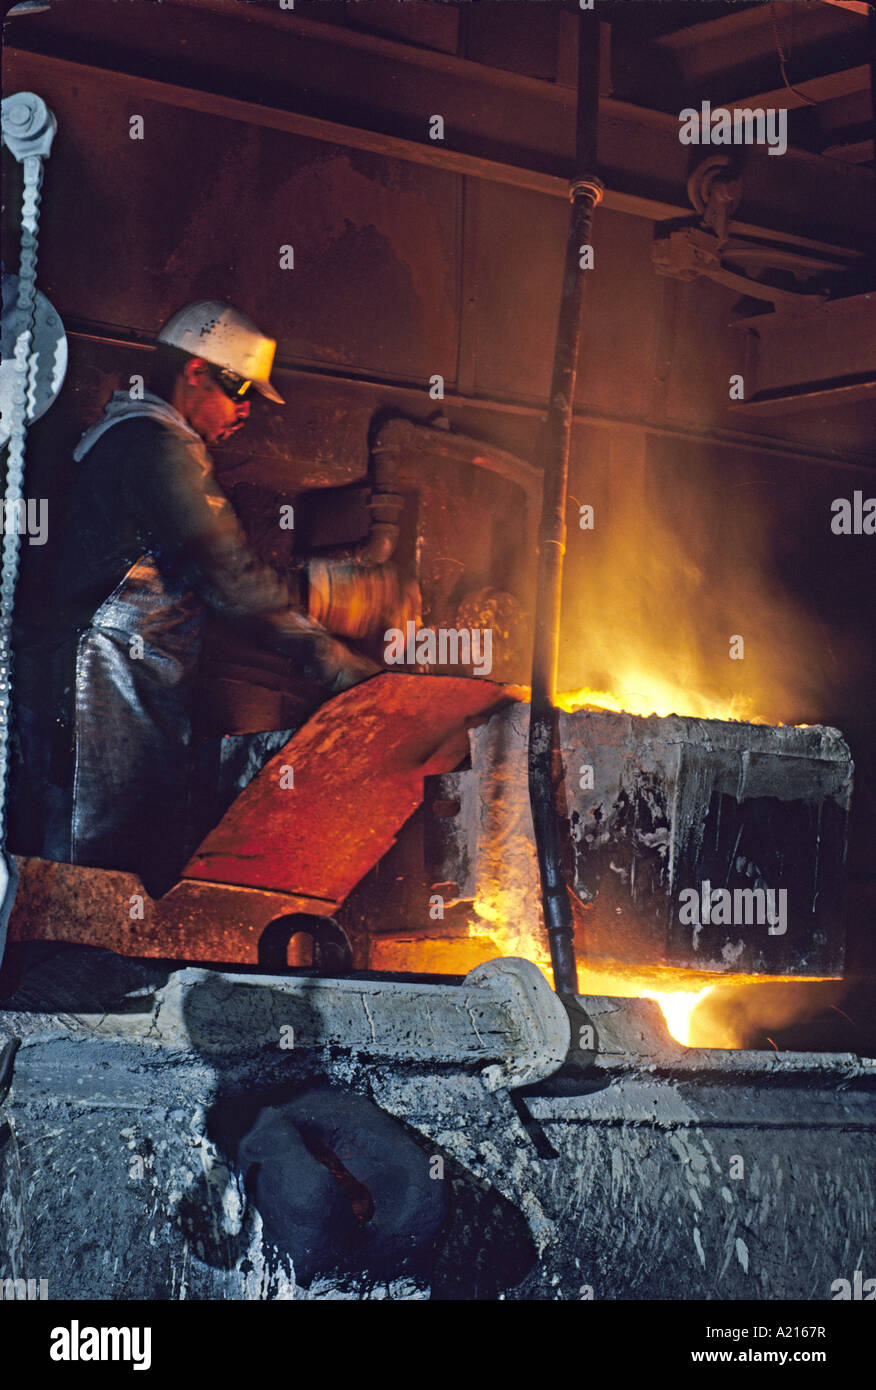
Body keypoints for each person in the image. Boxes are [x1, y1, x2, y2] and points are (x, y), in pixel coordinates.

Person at [11, 301, 381, 893]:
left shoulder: (124, 438)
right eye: (239, 389)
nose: (244, 409)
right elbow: (229, 578)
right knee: (94, 868)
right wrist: (336, 663)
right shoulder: (156, 448)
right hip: (100, 688)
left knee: (102, 864)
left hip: (109, 687)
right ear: (193, 372)